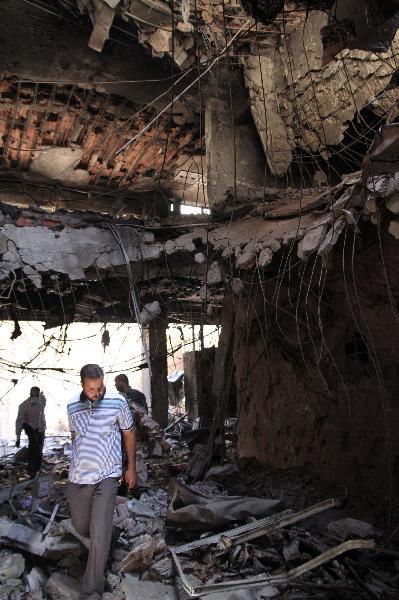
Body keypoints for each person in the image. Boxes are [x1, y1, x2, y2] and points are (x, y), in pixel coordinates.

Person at [67, 364, 136, 597]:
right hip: (79, 477)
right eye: (91, 388)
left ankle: (91, 589)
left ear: (103, 381)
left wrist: (131, 468)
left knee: (98, 533)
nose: (96, 392)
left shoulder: (118, 402)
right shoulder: (72, 406)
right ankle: (108, 534)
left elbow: (128, 432)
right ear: (82, 385)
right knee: (81, 526)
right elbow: (75, 435)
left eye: (99, 387)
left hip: (108, 475)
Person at [15, 386, 46, 477]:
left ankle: (37, 468)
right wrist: (18, 438)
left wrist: (40, 395)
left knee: (39, 448)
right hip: (29, 425)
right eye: (33, 393)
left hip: (40, 427)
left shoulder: (42, 401)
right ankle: (31, 469)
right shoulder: (24, 406)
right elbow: (19, 422)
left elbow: (43, 400)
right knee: (34, 445)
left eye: (37, 393)